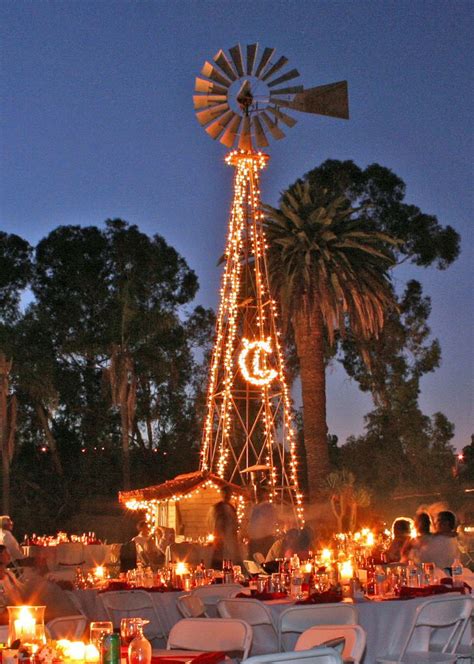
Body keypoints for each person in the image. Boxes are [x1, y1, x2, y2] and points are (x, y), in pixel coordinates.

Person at [208, 486, 240, 568]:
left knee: (231, 562)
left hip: (230, 539)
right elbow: (213, 523)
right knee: (219, 562)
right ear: (222, 494)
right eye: (225, 493)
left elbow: (235, 523)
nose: (227, 495)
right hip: (220, 539)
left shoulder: (232, 508)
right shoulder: (217, 507)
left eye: (229, 493)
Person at [247, 485, 278, 559]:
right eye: (258, 494)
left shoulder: (267, 507)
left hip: (264, 540)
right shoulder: (256, 507)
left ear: (265, 495)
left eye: (260, 494)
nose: (258, 496)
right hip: (255, 540)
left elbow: (268, 522)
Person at [0, 545, 24, 624]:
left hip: (17, 614)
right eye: (6, 553)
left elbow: (23, 590)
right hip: (5, 619)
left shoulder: (9, 575)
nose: (9, 555)